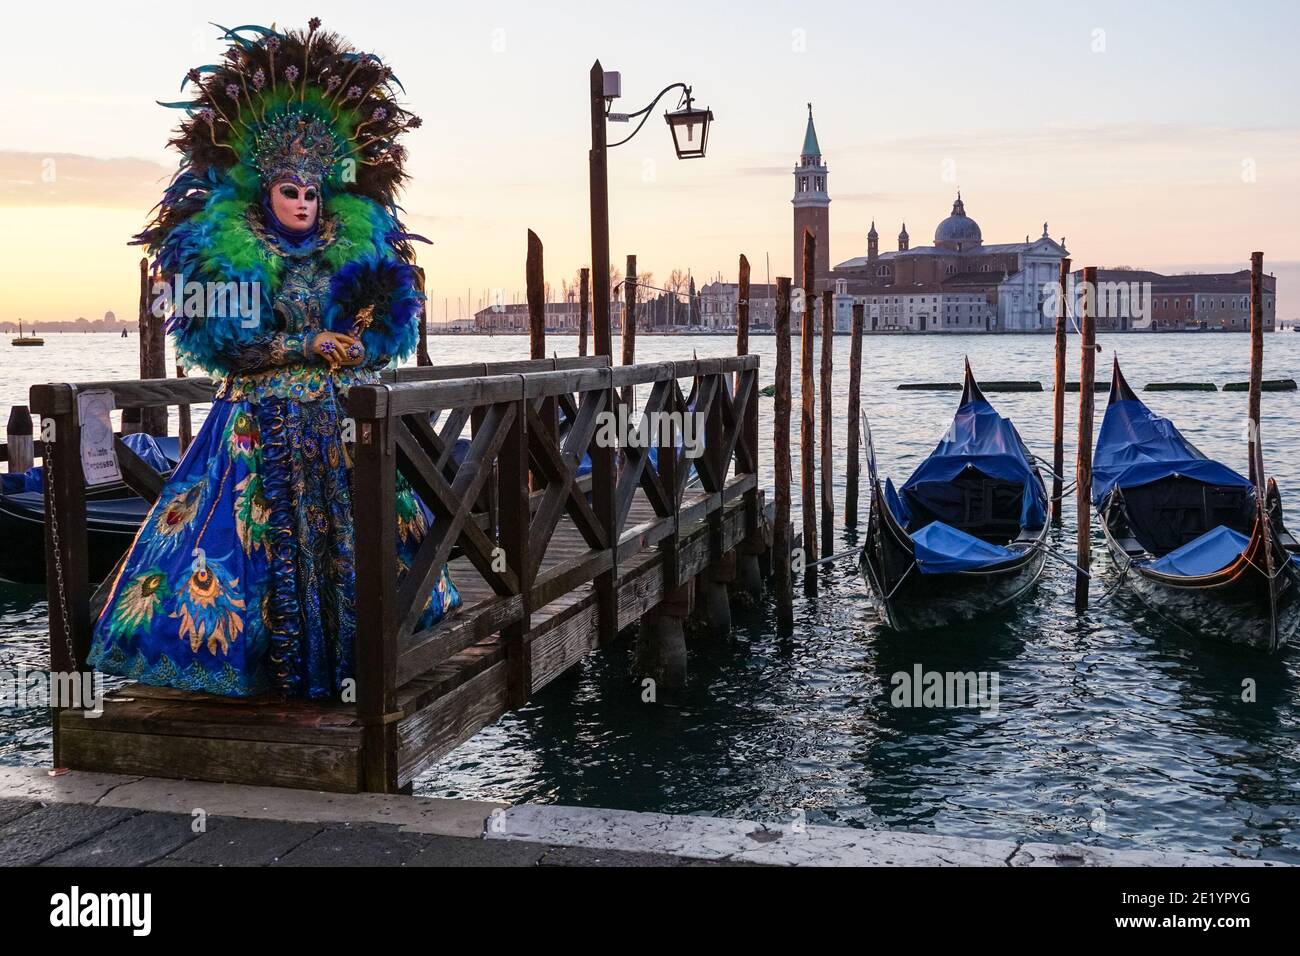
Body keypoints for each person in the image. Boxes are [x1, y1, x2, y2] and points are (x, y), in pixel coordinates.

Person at [89, 20, 460, 699]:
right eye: (291, 191)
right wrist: (302, 344)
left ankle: (357, 657)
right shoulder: (232, 250)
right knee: (248, 549)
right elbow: (230, 346)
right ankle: (257, 668)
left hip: (338, 421)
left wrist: (359, 338)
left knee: (354, 539)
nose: (302, 203)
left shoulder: (348, 246)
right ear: (267, 190)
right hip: (257, 426)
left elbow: (381, 326)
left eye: (312, 193)